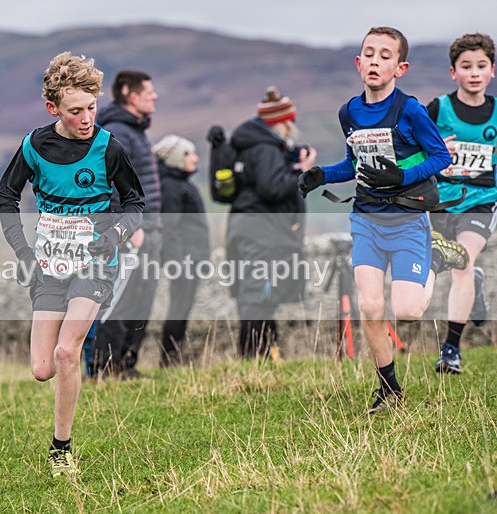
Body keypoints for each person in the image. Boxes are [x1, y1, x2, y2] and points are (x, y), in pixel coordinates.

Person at [299, 27, 468, 414]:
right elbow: (353, 163)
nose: (375, 61)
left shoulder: (409, 109)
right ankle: (389, 390)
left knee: (407, 311)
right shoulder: (349, 112)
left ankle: (436, 259)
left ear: (400, 67)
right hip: (366, 220)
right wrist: (322, 175)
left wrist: (402, 177)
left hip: (408, 218)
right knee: (370, 307)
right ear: (359, 63)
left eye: (385, 55)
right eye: (369, 54)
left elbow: (441, 157)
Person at [0, 52, 144, 477]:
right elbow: (7, 196)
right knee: (42, 368)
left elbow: (135, 200)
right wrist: (24, 251)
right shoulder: (34, 146)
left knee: (66, 350)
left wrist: (114, 235)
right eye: (76, 111)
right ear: (53, 109)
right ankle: (61, 435)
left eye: (92, 109)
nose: (86, 119)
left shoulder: (107, 147)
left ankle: (61, 448)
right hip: (49, 264)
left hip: (98, 260)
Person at [211, 86, 313, 360]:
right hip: (263, 233)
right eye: (289, 122)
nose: (292, 128)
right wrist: (302, 173)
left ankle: (266, 353)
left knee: (255, 295)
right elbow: (271, 189)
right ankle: (253, 357)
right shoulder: (265, 149)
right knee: (258, 297)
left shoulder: (248, 146)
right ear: (281, 123)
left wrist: (290, 165)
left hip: (244, 228)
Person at [427, 33, 497, 375]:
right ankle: (476, 284)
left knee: (462, 261)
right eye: (465, 66)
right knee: (461, 270)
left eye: (481, 66)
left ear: (492, 71)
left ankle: (451, 348)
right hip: (441, 202)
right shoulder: (438, 109)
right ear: (453, 72)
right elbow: (412, 149)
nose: (474, 73)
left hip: (483, 201)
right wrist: (438, 148)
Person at [91, 70, 161, 379]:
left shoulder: (134, 130)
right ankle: (105, 366)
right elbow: (111, 185)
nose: (155, 96)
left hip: (148, 229)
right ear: (132, 96)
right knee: (120, 297)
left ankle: (125, 365)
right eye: (149, 92)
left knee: (140, 296)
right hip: (132, 230)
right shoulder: (118, 131)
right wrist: (126, 227)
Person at [153, 134, 210, 366]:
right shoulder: (172, 187)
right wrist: (176, 261)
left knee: (183, 307)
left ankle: (174, 355)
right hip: (184, 259)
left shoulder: (179, 184)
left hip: (190, 257)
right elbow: (170, 227)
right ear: (177, 158)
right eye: (190, 154)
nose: (195, 158)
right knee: (179, 307)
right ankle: (169, 358)